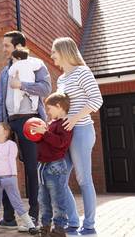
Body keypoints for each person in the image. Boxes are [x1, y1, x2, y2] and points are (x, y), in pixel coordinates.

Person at [0, 31, 52, 228]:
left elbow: (45, 88)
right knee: (5, 168)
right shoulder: (4, 71)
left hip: (31, 121)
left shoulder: (36, 65)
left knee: (31, 168)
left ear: (18, 47)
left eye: (6, 45)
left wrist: (22, 85)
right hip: (10, 123)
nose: (3, 49)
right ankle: (9, 217)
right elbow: (0, 99)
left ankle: (34, 214)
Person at [51, 37, 103, 235]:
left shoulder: (83, 72)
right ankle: (73, 221)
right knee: (59, 179)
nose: (52, 55)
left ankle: (88, 225)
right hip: (64, 134)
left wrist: (74, 118)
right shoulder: (61, 78)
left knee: (83, 179)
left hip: (81, 131)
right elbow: (61, 107)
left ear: (64, 51)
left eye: (54, 51)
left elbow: (96, 101)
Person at [31, 92, 73, 237]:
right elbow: (44, 142)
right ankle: (45, 226)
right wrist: (37, 135)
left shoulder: (65, 124)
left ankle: (60, 228)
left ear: (59, 106)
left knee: (57, 199)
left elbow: (61, 144)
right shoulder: (50, 124)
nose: (47, 112)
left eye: (49, 109)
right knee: (43, 200)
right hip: (42, 167)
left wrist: (45, 133)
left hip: (55, 166)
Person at [0, 122, 37, 235]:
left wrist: (14, 176)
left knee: (17, 202)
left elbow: (12, 160)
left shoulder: (11, 145)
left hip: (9, 178)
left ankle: (31, 226)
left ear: (6, 132)